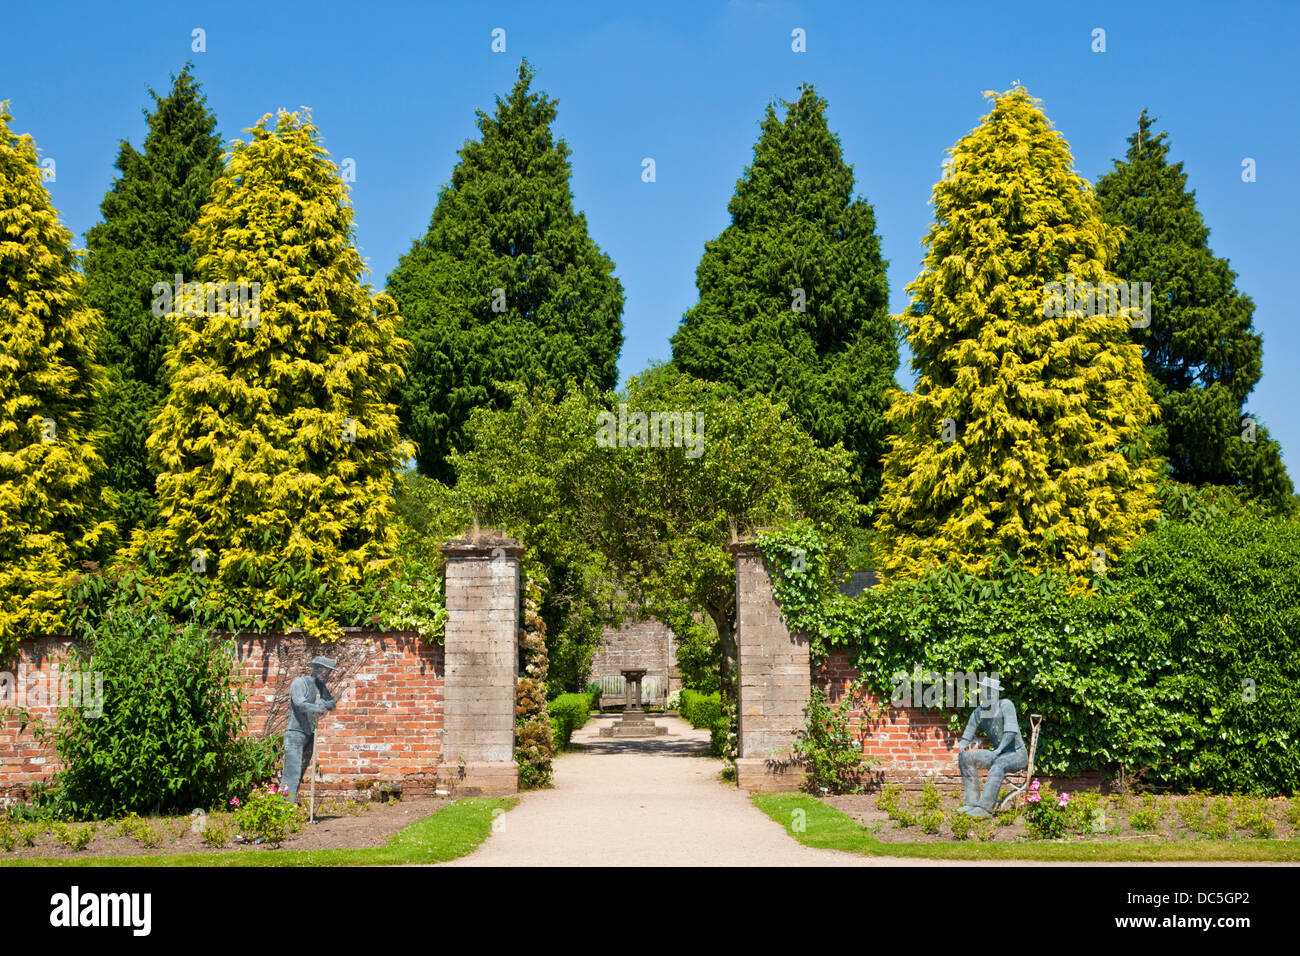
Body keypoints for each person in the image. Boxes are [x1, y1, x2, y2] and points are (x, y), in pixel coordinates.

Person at [954, 675, 1027, 818]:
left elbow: (1011, 732)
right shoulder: (979, 711)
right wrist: (962, 744)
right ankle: (972, 803)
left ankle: (984, 809)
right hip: (999, 754)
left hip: (1017, 754)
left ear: (995, 692)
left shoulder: (1006, 704)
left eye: (989, 691)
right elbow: (968, 733)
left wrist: (998, 751)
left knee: (998, 763)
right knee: (965, 757)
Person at [281, 656, 337, 801]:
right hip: (296, 734)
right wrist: (316, 707)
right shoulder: (300, 683)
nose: (327, 674)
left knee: (300, 772)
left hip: (309, 735)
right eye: (325, 670)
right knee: (291, 774)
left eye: (329, 671)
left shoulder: (320, 687)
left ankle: (289, 805)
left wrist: (325, 702)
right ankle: (283, 809)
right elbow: (300, 704)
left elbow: (332, 704)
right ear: (316, 668)